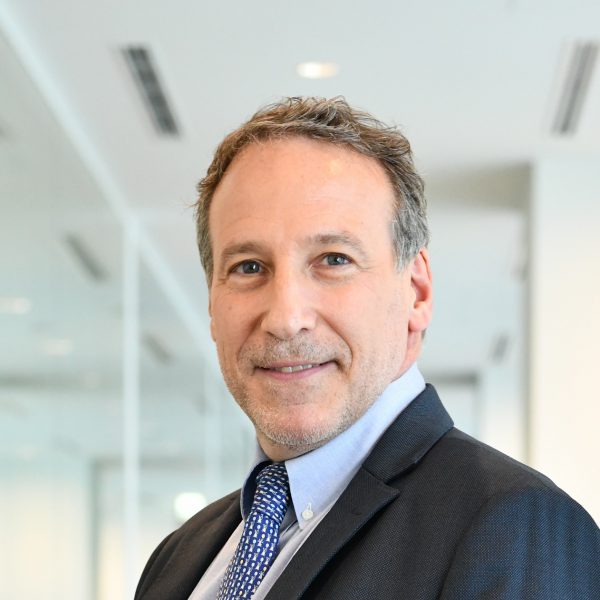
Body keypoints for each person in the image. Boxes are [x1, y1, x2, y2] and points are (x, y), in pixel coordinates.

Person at [135, 97, 599, 600]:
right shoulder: (178, 556)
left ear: (416, 292)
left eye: (333, 259)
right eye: (248, 267)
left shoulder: (516, 528)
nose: (286, 318)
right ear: (212, 303)